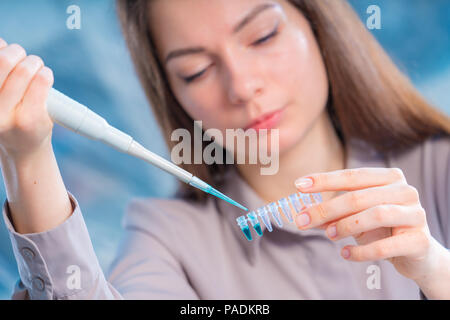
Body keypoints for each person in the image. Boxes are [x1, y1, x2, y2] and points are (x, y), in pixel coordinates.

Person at [0, 0, 449, 300]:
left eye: (263, 36)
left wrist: (434, 270)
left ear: (318, 24)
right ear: (173, 95)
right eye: (196, 71)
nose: (241, 85)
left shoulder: (438, 167)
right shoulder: (165, 236)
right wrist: (27, 157)